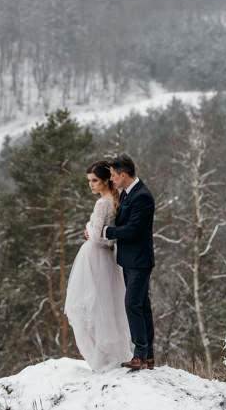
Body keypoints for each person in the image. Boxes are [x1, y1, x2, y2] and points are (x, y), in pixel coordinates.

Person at [64, 160, 132, 371]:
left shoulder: (102, 203)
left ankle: (101, 357)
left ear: (105, 180)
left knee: (92, 306)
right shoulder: (116, 200)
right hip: (108, 258)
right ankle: (111, 353)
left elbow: (95, 237)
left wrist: (89, 229)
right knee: (108, 305)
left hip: (95, 256)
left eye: (94, 180)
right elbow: (110, 236)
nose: (91, 185)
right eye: (89, 181)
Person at [102, 154, 155, 370]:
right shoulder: (126, 194)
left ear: (124, 174)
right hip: (129, 260)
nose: (111, 179)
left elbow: (133, 230)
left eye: (113, 175)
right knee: (141, 305)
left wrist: (107, 231)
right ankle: (147, 355)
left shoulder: (142, 196)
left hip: (140, 261)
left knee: (132, 304)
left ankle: (139, 355)